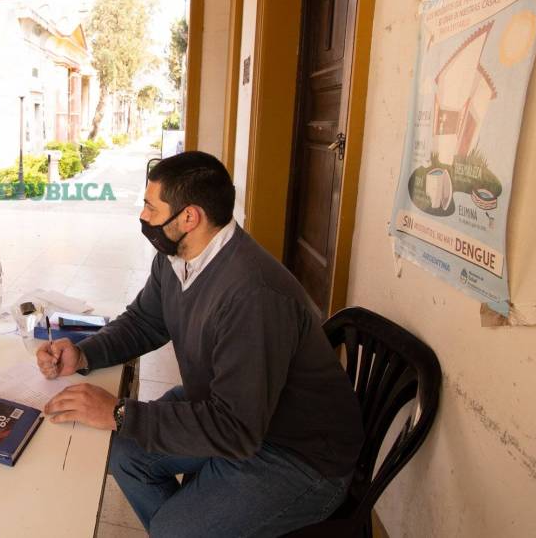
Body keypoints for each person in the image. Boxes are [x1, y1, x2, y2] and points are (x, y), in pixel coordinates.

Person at [36, 151, 363, 538]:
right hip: (225, 409)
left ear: (189, 217)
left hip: (297, 454)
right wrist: (85, 353)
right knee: (124, 453)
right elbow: (144, 321)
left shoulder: (253, 296)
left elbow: (236, 428)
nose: (142, 216)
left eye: (151, 207)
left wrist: (120, 413)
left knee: (174, 528)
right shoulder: (177, 257)